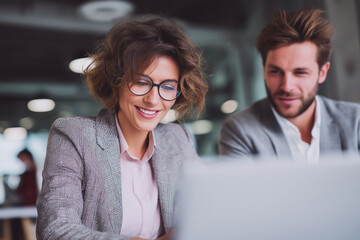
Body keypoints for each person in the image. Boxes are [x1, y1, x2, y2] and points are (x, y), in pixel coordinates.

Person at [36, 16, 208, 240]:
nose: (153, 100)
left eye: (167, 87)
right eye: (141, 82)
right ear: (116, 81)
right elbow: (54, 231)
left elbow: (211, 208)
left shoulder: (178, 138)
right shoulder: (73, 136)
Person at [219, 8, 360, 162]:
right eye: (275, 72)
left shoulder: (356, 122)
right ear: (264, 69)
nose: (286, 86)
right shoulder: (240, 130)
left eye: (300, 72)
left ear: (322, 73)